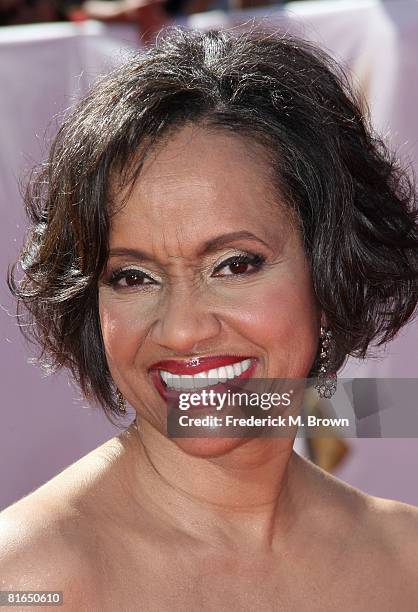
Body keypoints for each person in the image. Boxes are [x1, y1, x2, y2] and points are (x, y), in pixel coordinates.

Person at [1, 27, 418, 609]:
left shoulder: (405, 559)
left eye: (234, 265)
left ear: (333, 269)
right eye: (132, 277)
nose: (180, 329)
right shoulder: (29, 580)